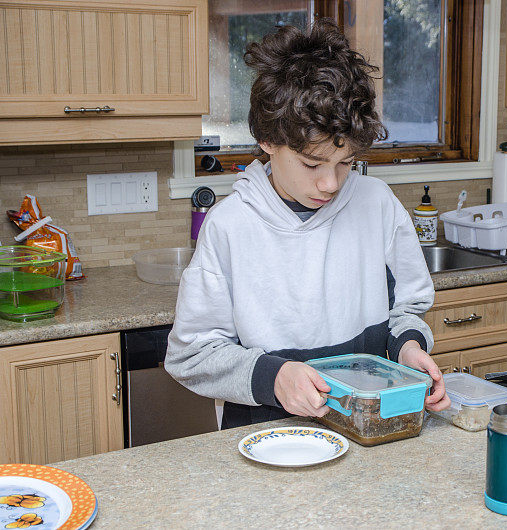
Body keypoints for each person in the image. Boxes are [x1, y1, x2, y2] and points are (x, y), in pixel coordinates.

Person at [165, 19, 450, 428]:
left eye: (346, 163)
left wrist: (408, 348)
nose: (330, 183)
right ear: (267, 140)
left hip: (367, 430)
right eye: (312, 163)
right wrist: (274, 376)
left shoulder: (377, 205)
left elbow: (406, 308)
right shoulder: (230, 226)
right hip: (265, 434)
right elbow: (191, 354)